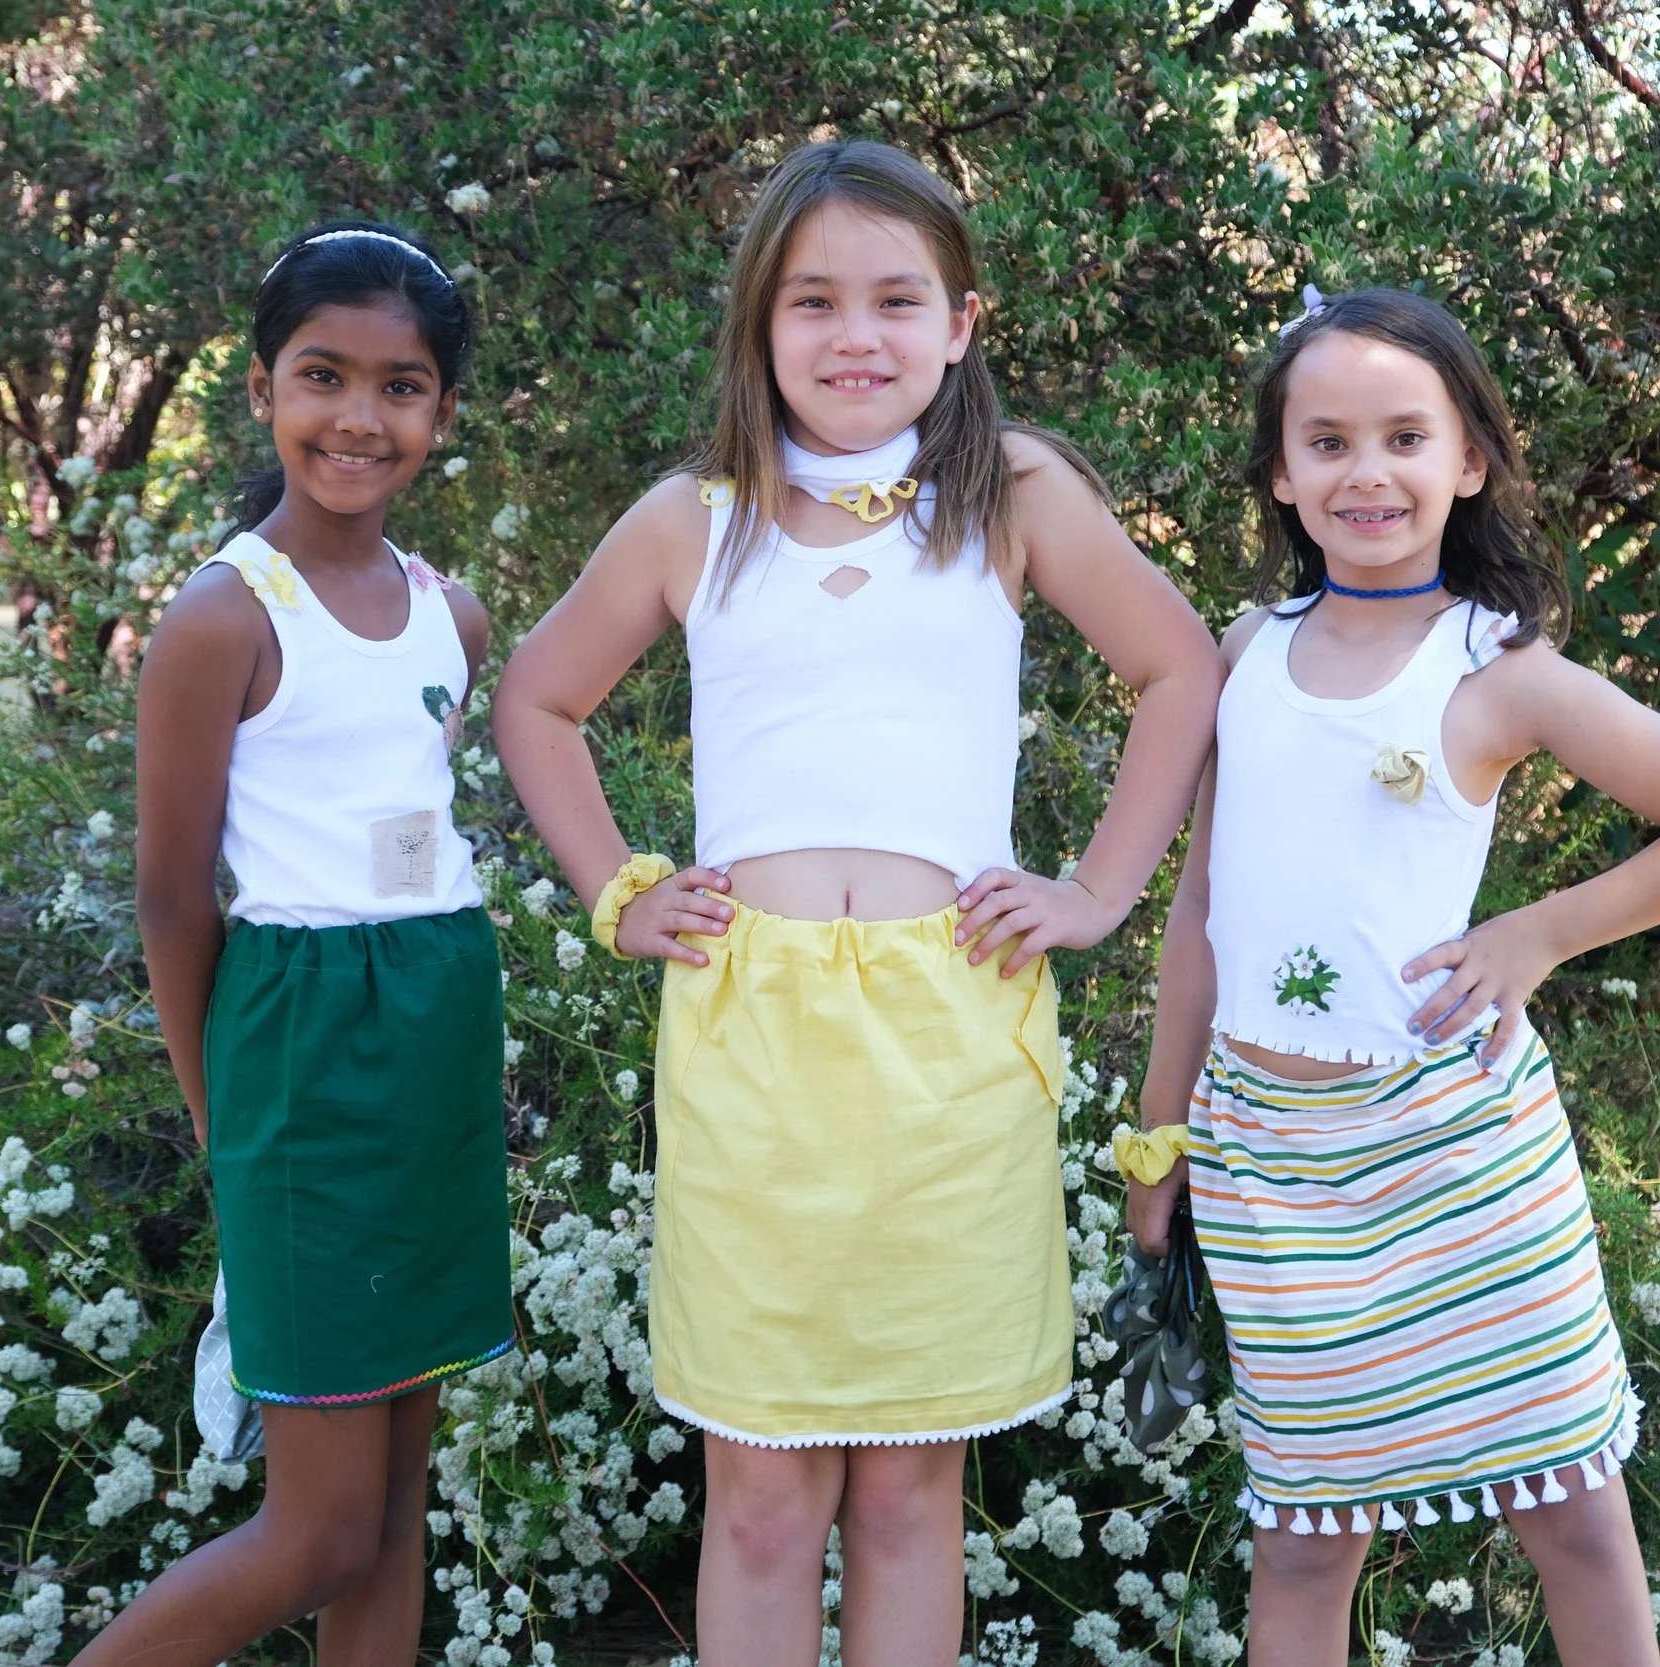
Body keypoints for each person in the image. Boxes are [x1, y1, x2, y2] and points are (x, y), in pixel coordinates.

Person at [493, 141, 1223, 1667]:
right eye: (813, 300)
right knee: (759, 1494)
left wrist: (1094, 889)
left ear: (963, 322)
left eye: (899, 299)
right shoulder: (694, 520)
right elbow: (539, 704)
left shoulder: (1011, 494)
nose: (855, 336)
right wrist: (619, 891)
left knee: (909, 1487)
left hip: (952, 1043)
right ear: (760, 324)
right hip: (750, 1048)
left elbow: (1179, 669)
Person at [1119, 285, 1660, 1667]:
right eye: (1327, 442)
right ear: (1282, 474)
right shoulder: (1241, 655)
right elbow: (1198, 912)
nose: (1367, 470)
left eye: (1404, 437)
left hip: (1458, 1152)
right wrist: (1159, 1127)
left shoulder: (1498, 668)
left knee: (1577, 1515)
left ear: (1469, 457)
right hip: (1270, 1162)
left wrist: (1535, 931)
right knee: (1305, 1542)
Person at [89, 222, 511, 1667]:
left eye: (401, 387)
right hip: (299, 1063)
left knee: (396, 1508)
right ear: (263, 388)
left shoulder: (452, 613)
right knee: (320, 1524)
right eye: (323, 375)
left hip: (436, 1047)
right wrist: (226, 1119)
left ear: (441, 416)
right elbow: (168, 896)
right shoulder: (223, 616)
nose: (360, 416)